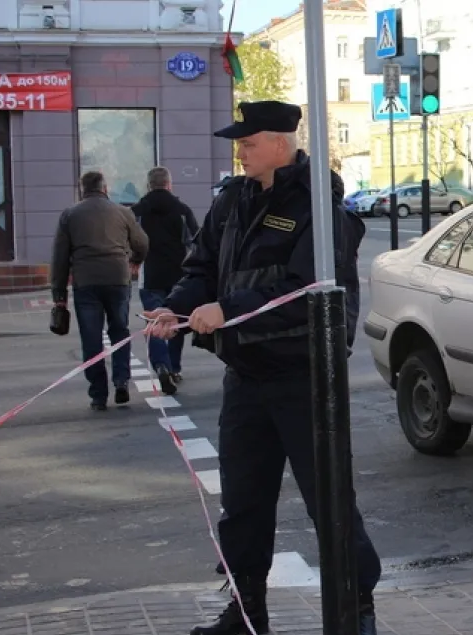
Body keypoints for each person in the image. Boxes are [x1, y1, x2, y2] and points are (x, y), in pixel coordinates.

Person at [141, 100, 378, 635]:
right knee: (244, 503)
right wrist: (176, 308)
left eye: (248, 143)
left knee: (330, 503)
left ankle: (356, 610)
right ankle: (246, 613)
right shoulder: (233, 202)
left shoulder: (321, 209)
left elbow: (307, 293)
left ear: (279, 143)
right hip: (246, 374)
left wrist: (228, 310)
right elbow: (202, 265)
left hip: (306, 377)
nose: (241, 152)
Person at [51, 171, 150, 411]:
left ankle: (98, 393)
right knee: (119, 331)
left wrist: (59, 296)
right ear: (105, 189)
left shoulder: (70, 215)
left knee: (91, 338)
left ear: (82, 190)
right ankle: (121, 381)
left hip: (86, 282)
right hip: (117, 277)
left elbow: (60, 258)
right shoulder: (123, 212)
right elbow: (142, 242)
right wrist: (135, 260)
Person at [133, 166, 199, 394]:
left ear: (149, 185)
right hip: (178, 274)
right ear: (169, 184)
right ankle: (175, 367)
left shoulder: (137, 211)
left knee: (155, 323)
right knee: (175, 320)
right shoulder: (182, 210)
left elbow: (131, 242)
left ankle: (161, 365)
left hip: (149, 275)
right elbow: (195, 241)